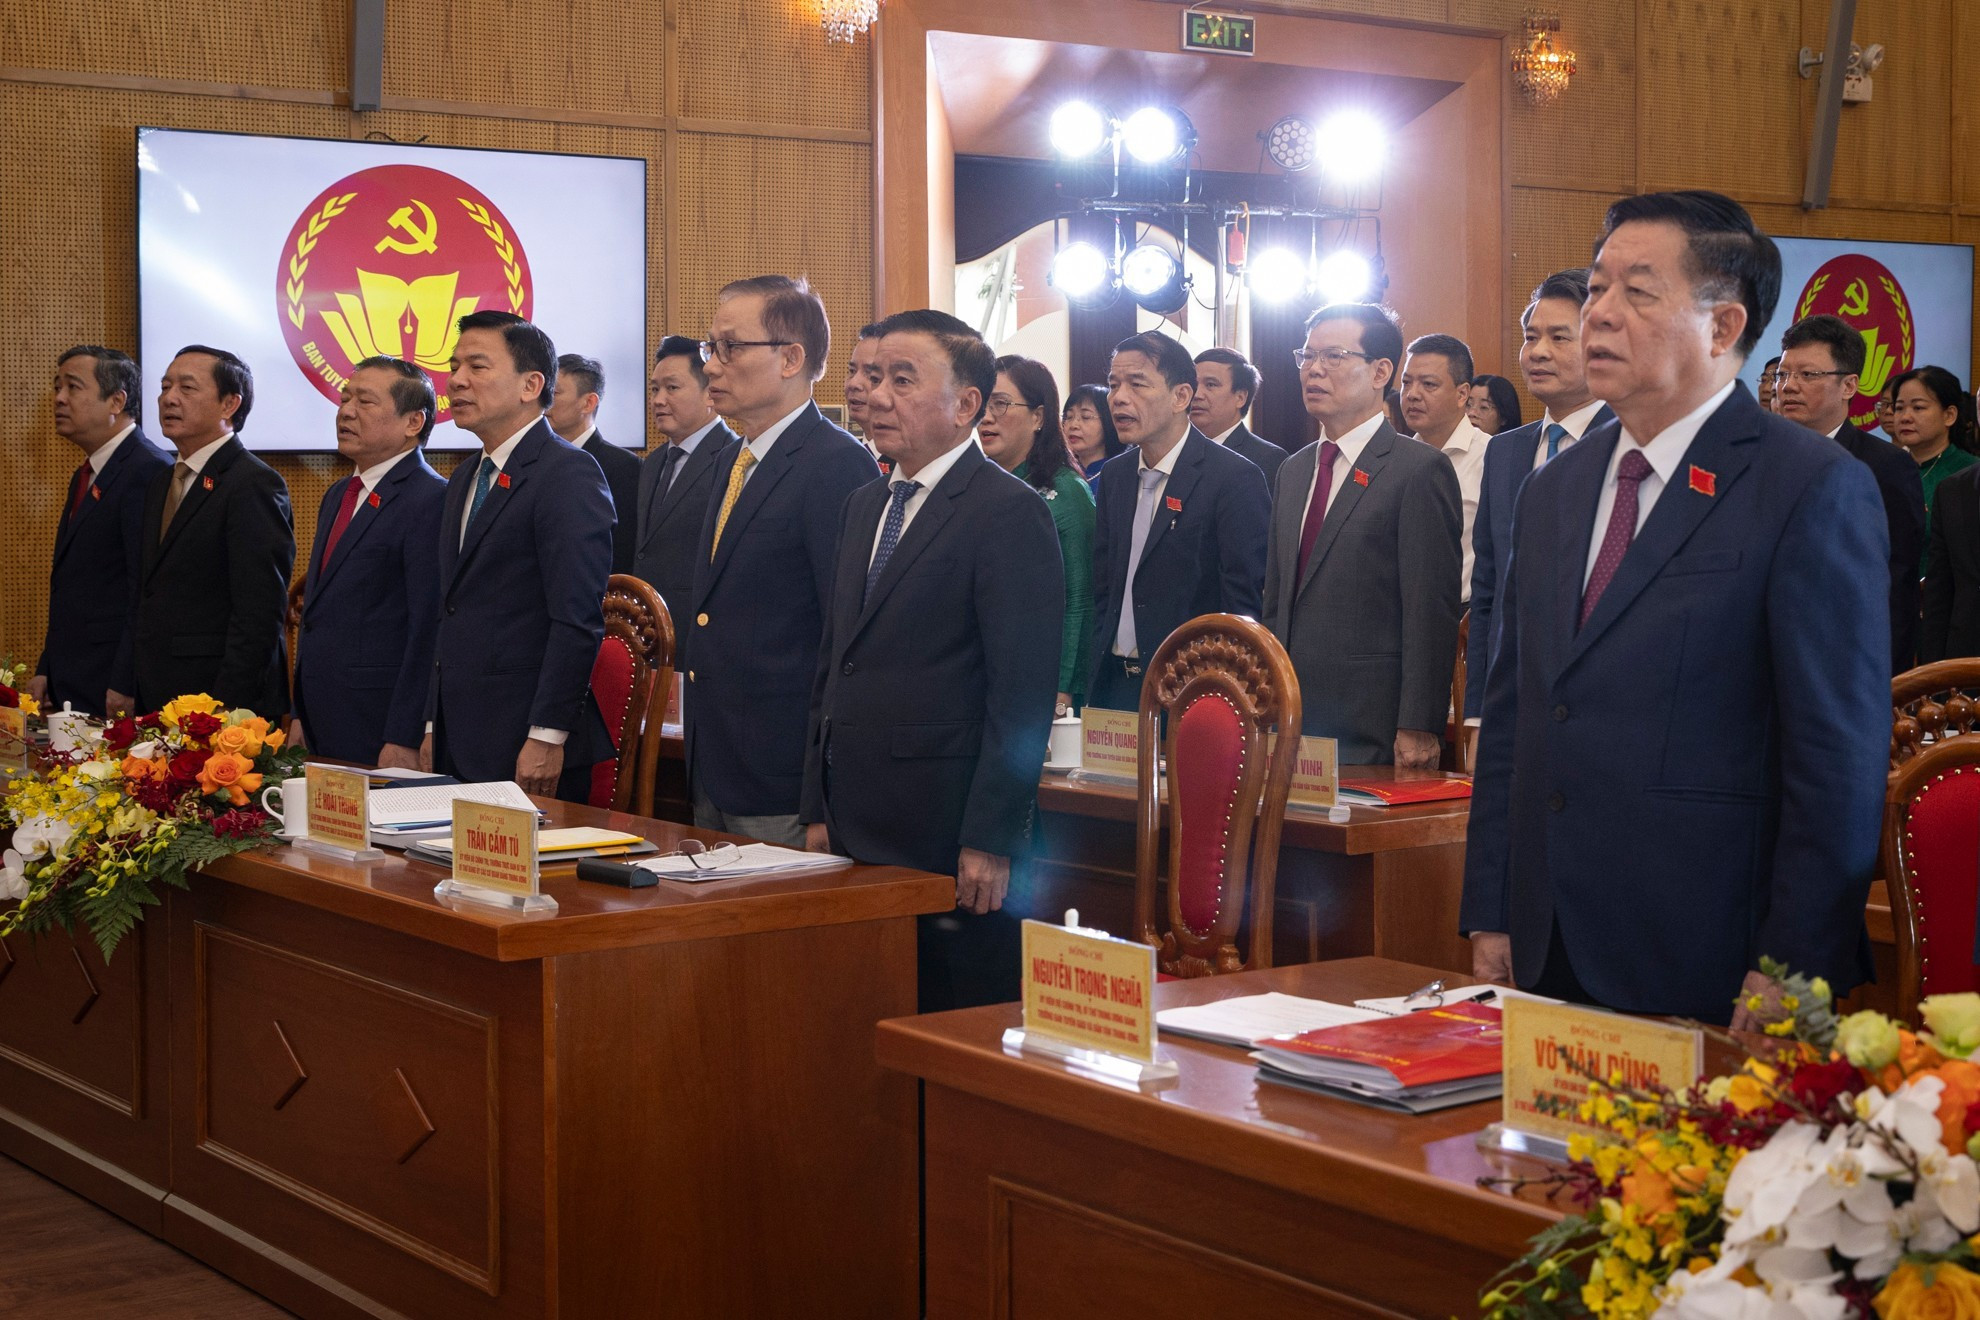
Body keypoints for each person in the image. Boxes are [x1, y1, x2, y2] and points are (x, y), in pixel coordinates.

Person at [1461, 190, 1888, 1026]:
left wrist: (1792, 967)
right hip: (1548, 942)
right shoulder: (1554, 490)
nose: (1600, 316)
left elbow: (1835, 756)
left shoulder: (1808, 486)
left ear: (1723, 329)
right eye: (1596, 289)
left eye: (1638, 292)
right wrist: (1493, 907)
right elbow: (1515, 712)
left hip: (1711, 953)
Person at [801, 310, 1062, 1012]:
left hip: (945, 827)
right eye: (871, 376)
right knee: (862, 1007)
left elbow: (1021, 695)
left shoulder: (1007, 511)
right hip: (852, 818)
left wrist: (990, 836)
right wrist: (814, 804)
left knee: (950, 1013)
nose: (874, 395)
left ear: (967, 404)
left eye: (902, 380)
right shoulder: (865, 503)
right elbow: (835, 663)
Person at [682, 275, 878, 846]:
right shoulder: (730, 459)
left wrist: (820, 789)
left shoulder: (836, 465)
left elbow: (841, 642)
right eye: (708, 348)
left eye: (730, 348)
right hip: (713, 763)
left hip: (783, 775)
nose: (712, 366)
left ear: (791, 358)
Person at [420, 311, 614, 798]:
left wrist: (547, 735)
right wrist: (428, 723)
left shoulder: (568, 474)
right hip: (455, 735)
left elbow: (576, 619)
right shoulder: (465, 476)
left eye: (477, 367)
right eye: (454, 365)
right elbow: (449, 611)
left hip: (525, 740)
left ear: (531, 385)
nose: (457, 380)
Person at [1263, 304, 1461, 765]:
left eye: (1333, 356)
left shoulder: (1418, 469)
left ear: (1380, 371)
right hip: (1290, 718)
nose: (1314, 370)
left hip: (1372, 723)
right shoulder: (1293, 471)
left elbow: (1429, 608)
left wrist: (1419, 723)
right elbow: (1275, 599)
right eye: (1307, 356)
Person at [1087, 330, 1269, 713]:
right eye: (1114, 384)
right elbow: (1103, 586)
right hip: (1113, 684)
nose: (1119, 398)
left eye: (1137, 384)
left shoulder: (1233, 477)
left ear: (1181, 396)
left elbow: (1242, 603)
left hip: (1194, 689)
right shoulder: (1115, 476)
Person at [1465, 268, 1611, 725]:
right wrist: (1477, 713)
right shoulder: (1506, 451)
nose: (1538, 352)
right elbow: (1487, 590)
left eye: (1560, 337)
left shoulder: (1630, 444)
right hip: (1511, 698)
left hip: (1597, 700)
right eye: (1531, 337)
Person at [291, 356, 447, 767]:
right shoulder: (338, 494)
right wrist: (298, 712)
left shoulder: (430, 499)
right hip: (321, 716)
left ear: (414, 422)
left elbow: (427, 627)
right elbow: (317, 613)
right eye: (344, 398)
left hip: (379, 723)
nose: (346, 411)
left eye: (365, 401)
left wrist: (406, 732)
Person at [128, 345, 294, 720]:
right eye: (165, 386)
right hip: (159, 691)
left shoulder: (253, 483)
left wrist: (225, 708)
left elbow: (259, 613)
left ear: (229, 404)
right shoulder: (161, 481)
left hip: (218, 701)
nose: (168, 398)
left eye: (187, 388)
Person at [1775, 314, 1925, 674]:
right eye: (1782, 374)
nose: (1788, 387)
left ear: (1849, 386)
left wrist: (1887, 681)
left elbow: (1897, 585)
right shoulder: (1758, 459)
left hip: (1846, 664)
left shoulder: (1885, 467)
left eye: (1807, 375)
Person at [36, 346, 169, 716]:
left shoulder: (147, 470)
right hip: (73, 678)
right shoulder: (87, 472)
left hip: (112, 683)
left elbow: (143, 588)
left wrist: (126, 679)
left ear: (116, 400)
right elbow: (72, 586)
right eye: (57, 386)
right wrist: (48, 666)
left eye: (72, 387)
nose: (59, 398)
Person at [980, 354, 1094, 713]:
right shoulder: (979, 487)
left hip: (1040, 679)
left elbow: (1079, 597)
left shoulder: (1066, 492)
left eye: (1000, 403)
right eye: (982, 402)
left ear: (1039, 417)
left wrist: (1063, 690)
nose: (985, 416)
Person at [633, 336, 736, 654]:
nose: (658, 400)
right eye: (654, 389)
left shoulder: (732, 460)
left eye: (672, 388)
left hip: (700, 641)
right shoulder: (652, 463)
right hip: (648, 636)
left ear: (709, 392)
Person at [1399, 334, 1489, 600]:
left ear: (1462, 394)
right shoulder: (1395, 457)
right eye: (1406, 383)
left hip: (1461, 619)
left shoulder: (1490, 457)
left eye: (1428, 384)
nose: (1412, 394)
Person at [548, 353, 640, 574]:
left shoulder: (625, 467)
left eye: (555, 392)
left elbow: (623, 547)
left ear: (588, 403)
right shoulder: (537, 459)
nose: (545, 401)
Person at [1890, 365, 1979, 578]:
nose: (1905, 417)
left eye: (1918, 408)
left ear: (1949, 415)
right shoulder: (1885, 469)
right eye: (1899, 408)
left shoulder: (1969, 474)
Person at [1191, 347, 1288, 487]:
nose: (1196, 394)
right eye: (1193, 384)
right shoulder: (1179, 451)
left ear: (1240, 397)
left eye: (1211, 384)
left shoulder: (1268, 458)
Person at [1062, 383, 1123, 485]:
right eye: (1069, 417)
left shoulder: (1119, 475)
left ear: (1108, 422)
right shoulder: (1060, 474)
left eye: (1086, 417)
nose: (1073, 425)